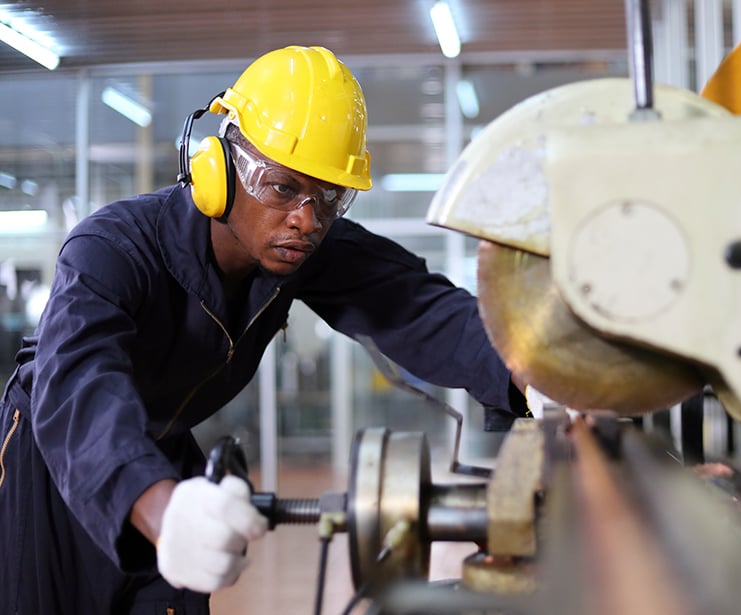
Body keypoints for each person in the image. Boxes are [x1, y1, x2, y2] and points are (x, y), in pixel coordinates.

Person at [0, 45, 529, 614]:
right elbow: (78, 384)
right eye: (282, 187)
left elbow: (420, 310)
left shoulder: (300, 247)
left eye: (330, 197)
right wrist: (159, 507)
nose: (308, 218)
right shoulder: (111, 249)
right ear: (218, 169)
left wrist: (533, 372)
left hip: (163, 452)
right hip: (56, 459)